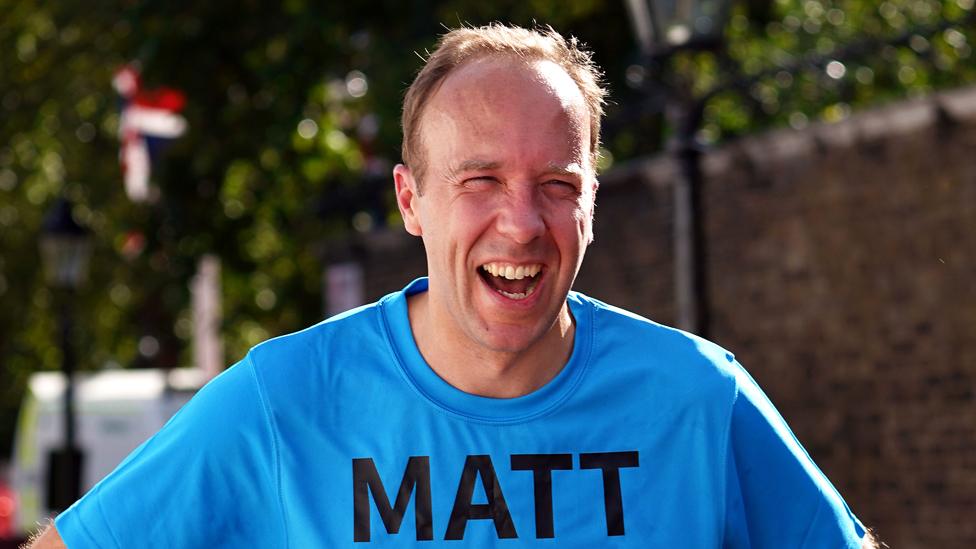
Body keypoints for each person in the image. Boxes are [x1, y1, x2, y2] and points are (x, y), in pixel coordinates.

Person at [31, 24, 879, 548]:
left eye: (557, 183)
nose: (521, 222)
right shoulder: (285, 400)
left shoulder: (698, 395)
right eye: (480, 180)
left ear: (590, 202)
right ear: (411, 200)